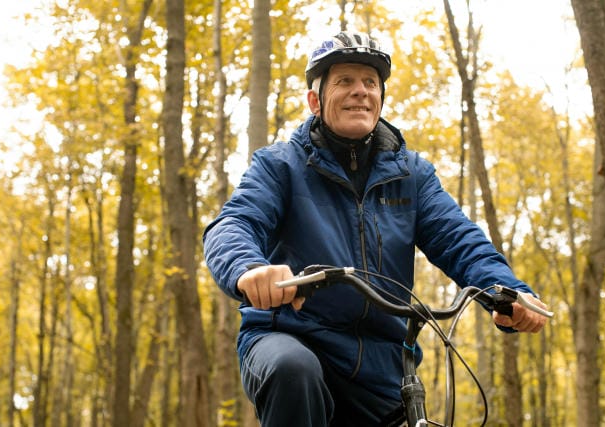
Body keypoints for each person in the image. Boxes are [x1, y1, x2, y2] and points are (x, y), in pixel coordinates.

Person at [203, 31, 549, 427]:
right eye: (345, 81)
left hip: (382, 362)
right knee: (292, 370)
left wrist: (505, 290)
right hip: (291, 337)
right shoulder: (279, 165)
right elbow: (233, 224)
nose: (361, 92)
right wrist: (248, 268)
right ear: (315, 100)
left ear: (381, 98)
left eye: (370, 82)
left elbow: (459, 240)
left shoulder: (413, 175)